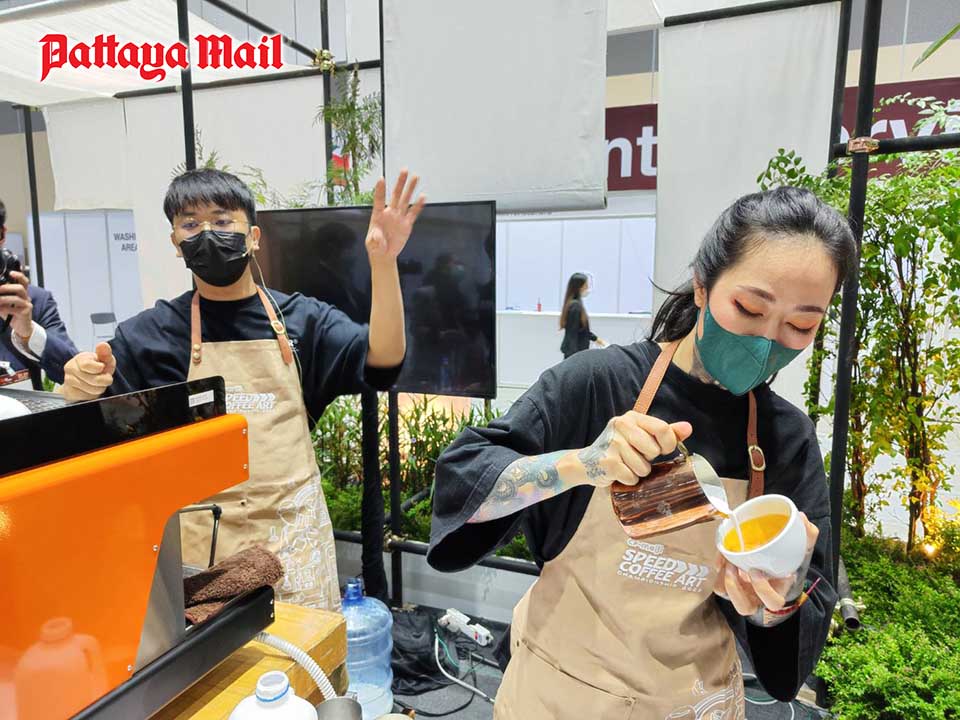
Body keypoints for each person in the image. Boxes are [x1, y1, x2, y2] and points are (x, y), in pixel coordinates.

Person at [428, 187, 852, 718]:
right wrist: (581, 464)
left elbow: (791, 655)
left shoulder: (785, 438)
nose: (765, 342)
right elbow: (463, 478)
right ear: (702, 285)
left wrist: (775, 602)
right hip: (561, 699)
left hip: (691, 704)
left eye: (800, 325)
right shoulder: (597, 383)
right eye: (749, 308)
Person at [61, 168, 424, 610]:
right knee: (218, 656)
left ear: (253, 237)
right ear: (175, 243)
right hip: (205, 555)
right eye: (190, 225)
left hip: (295, 547)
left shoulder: (302, 321)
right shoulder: (148, 336)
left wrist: (383, 264)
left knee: (307, 652)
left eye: (222, 220)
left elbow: (383, 361)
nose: (207, 234)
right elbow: (101, 429)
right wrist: (80, 387)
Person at [0, 198, 78, 389]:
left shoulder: (34, 302)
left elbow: (74, 373)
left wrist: (29, 332)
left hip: (23, 407)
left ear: (2, 234)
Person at [559, 272, 605, 358]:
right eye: (586, 285)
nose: (587, 288)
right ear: (579, 287)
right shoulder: (575, 306)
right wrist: (574, 357)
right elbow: (572, 333)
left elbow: (582, 330)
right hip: (575, 354)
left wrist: (596, 339)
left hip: (577, 353)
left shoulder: (576, 304)